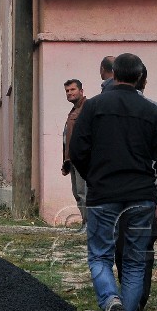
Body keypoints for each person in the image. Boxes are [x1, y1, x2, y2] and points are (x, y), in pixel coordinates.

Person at [69, 53, 157, 311]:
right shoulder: (152, 112)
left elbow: (77, 150)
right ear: (140, 77)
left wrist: (95, 176)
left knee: (100, 255)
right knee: (135, 263)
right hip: (141, 197)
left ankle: (110, 299)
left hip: (103, 195)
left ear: (113, 75)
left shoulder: (94, 107)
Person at [115, 64, 157, 311]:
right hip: (147, 193)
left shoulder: (106, 111)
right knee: (142, 246)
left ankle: (127, 295)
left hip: (115, 194)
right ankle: (139, 299)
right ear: (144, 80)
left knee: (120, 246)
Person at [60, 79, 87, 225]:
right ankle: (86, 223)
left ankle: (89, 225)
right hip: (73, 161)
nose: (69, 93)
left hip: (83, 161)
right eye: (67, 91)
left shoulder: (87, 108)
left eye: (72, 90)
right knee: (78, 194)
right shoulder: (73, 111)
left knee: (84, 194)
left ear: (81, 91)